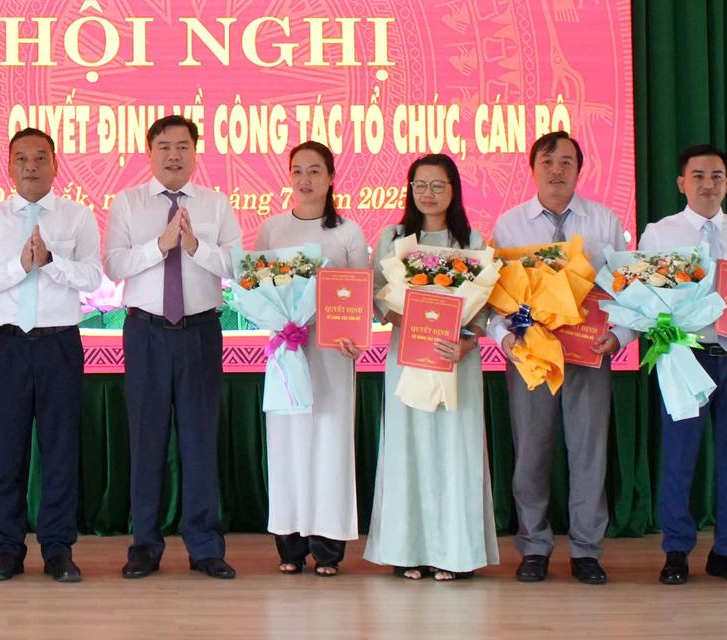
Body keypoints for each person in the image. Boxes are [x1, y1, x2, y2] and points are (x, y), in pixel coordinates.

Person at [488, 130, 629, 585]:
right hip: (531, 357)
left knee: (589, 453)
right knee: (530, 451)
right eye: (547, 162)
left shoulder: (604, 222)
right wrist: (504, 340)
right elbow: (493, 298)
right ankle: (534, 547)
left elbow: (626, 291)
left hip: (589, 354)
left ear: (579, 170)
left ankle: (586, 550)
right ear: (532, 169)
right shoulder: (509, 225)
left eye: (566, 162)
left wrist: (620, 336)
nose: (556, 170)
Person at [105, 115, 242, 580]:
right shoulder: (128, 203)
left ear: (195, 152)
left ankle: (205, 547)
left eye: (183, 146)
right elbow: (114, 265)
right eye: (164, 146)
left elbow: (236, 266)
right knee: (147, 441)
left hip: (200, 331)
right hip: (145, 332)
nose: (174, 155)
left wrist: (196, 246)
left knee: (200, 442)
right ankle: (144, 545)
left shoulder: (216, 204)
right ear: (149, 153)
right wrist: (160, 246)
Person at [0, 128, 102, 583]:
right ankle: (7, 549)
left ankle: (58, 550)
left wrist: (50, 262)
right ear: (9, 167)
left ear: (55, 165)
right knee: (7, 450)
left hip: (60, 344)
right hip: (8, 345)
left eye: (40, 157)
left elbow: (92, 277)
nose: (31, 166)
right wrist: (19, 266)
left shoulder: (77, 217)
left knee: (60, 452)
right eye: (21, 158)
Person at [638, 143, 727, 585]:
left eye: (716, 176)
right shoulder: (660, 234)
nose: (708, 184)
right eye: (698, 176)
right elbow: (643, 295)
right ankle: (676, 552)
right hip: (684, 357)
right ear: (682, 183)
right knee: (679, 457)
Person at [363, 153, 498, 581]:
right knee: (409, 448)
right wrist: (407, 320)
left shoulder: (472, 241)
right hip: (407, 356)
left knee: (455, 451)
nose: (428, 193)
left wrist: (464, 343)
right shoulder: (393, 238)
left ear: (453, 190)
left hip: (457, 360)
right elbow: (377, 294)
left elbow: (486, 306)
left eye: (438, 185)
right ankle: (407, 550)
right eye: (420, 185)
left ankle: (456, 554)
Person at [257, 141, 367, 577]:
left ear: (331, 178)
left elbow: (361, 293)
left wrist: (355, 335)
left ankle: (327, 547)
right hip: (287, 351)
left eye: (315, 171)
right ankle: (289, 545)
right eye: (298, 171)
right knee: (288, 440)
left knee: (329, 442)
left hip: (332, 352)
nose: (305, 179)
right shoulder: (272, 230)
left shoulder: (347, 232)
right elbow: (257, 288)